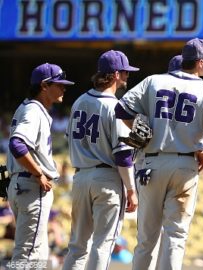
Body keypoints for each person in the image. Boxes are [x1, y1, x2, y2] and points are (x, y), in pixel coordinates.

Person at [114, 38, 203, 270]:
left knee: (146, 239)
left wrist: (140, 127)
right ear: (199, 62)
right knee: (175, 237)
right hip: (185, 165)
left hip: (151, 163)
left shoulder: (153, 81)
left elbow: (121, 109)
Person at [62, 50, 139, 270]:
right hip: (106, 178)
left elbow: (70, 138)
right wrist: (131, 190)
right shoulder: (114, 107)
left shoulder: (78, 101)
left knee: (77, 245)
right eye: (124, 72)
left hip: (80, 177)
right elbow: (123, 154)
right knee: (102, 244)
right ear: (115, 74)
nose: (127, 76)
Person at [6, 63, 74, 266]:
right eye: (59, 84)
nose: (64, 88)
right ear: (44, 85)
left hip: (22, 184)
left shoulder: (28, 108)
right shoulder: (34, 110)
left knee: (38, 253)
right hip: (31, 185)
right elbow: (17, 145)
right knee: (28, 254)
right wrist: (38, 174)